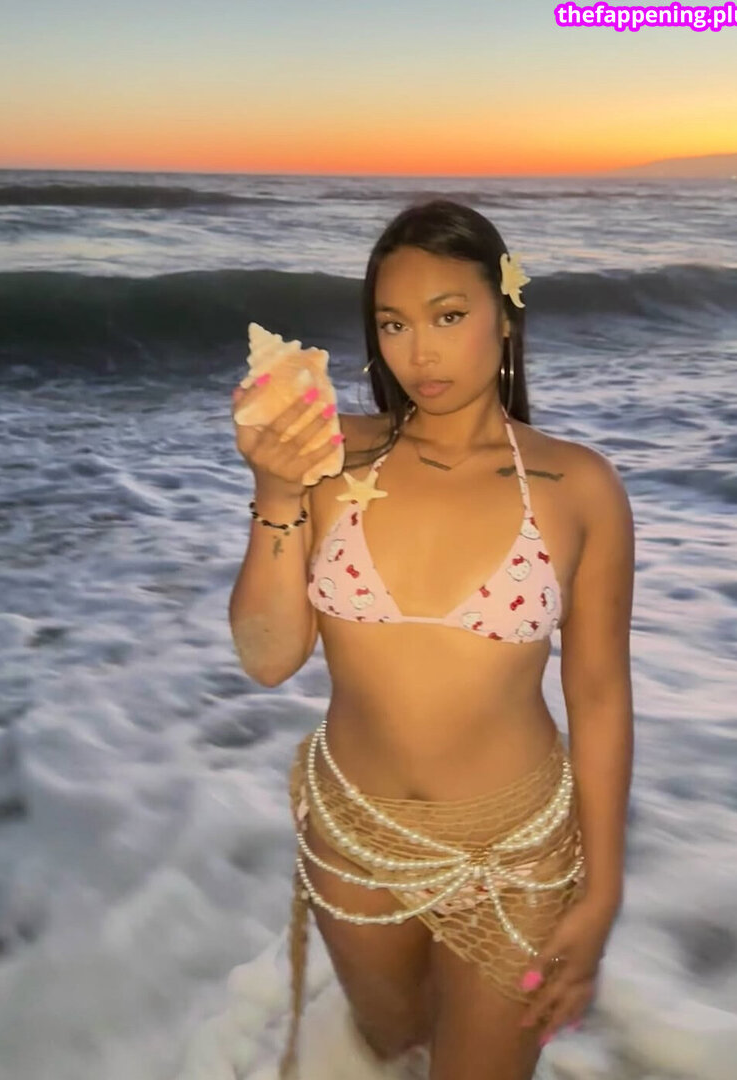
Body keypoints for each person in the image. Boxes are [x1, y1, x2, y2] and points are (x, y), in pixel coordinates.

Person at [228, 199, 634, 1080]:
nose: (420, 352)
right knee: (392, 1045)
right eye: (394, 324)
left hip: (514, 855)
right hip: (352, 837)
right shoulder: (329, 458)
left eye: (449, 316)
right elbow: (267, 658)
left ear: (505, 314)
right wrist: (275, 491)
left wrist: (601, 893)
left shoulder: (578, 487)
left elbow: (599, 695)